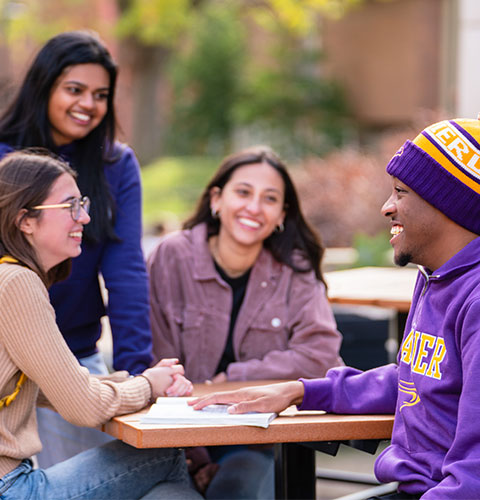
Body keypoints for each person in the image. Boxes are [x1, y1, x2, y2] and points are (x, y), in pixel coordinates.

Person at [190, 99, 480, 499]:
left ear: (449, 206)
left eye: (400, 192)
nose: (387, 207)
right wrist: (303, 391)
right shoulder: (440, 273)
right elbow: (421, 381)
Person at [0, 150, 201, 499]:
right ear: (25, 220)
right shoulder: (16, 283)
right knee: (164, 451)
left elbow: (56, 388)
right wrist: (148, 387)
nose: (85, 218)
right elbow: (83, 407)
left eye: (84, 204)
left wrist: (140, 381)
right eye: (70, 207)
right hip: (11, 489)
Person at [148, 145, 344, 498]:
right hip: (175, 441)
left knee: (241, 486)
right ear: (216, 199)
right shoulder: (171, 256)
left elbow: (322, 358)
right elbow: (152, 358)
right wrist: (194, 457)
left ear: (281, 214)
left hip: (258, 441)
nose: (254, 207)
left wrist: (232, 380)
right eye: (243, 192)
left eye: (269, 199)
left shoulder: (293, 270)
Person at [0, 30, 152, 467]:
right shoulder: (4, 161)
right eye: (74, 89)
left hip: (76, 362)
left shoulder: (115, 164)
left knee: (122, 472)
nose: (88, 103)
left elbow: (126, 274)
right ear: (43, 87)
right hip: (8, 370)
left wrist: (139, 374)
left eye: (101, 94)